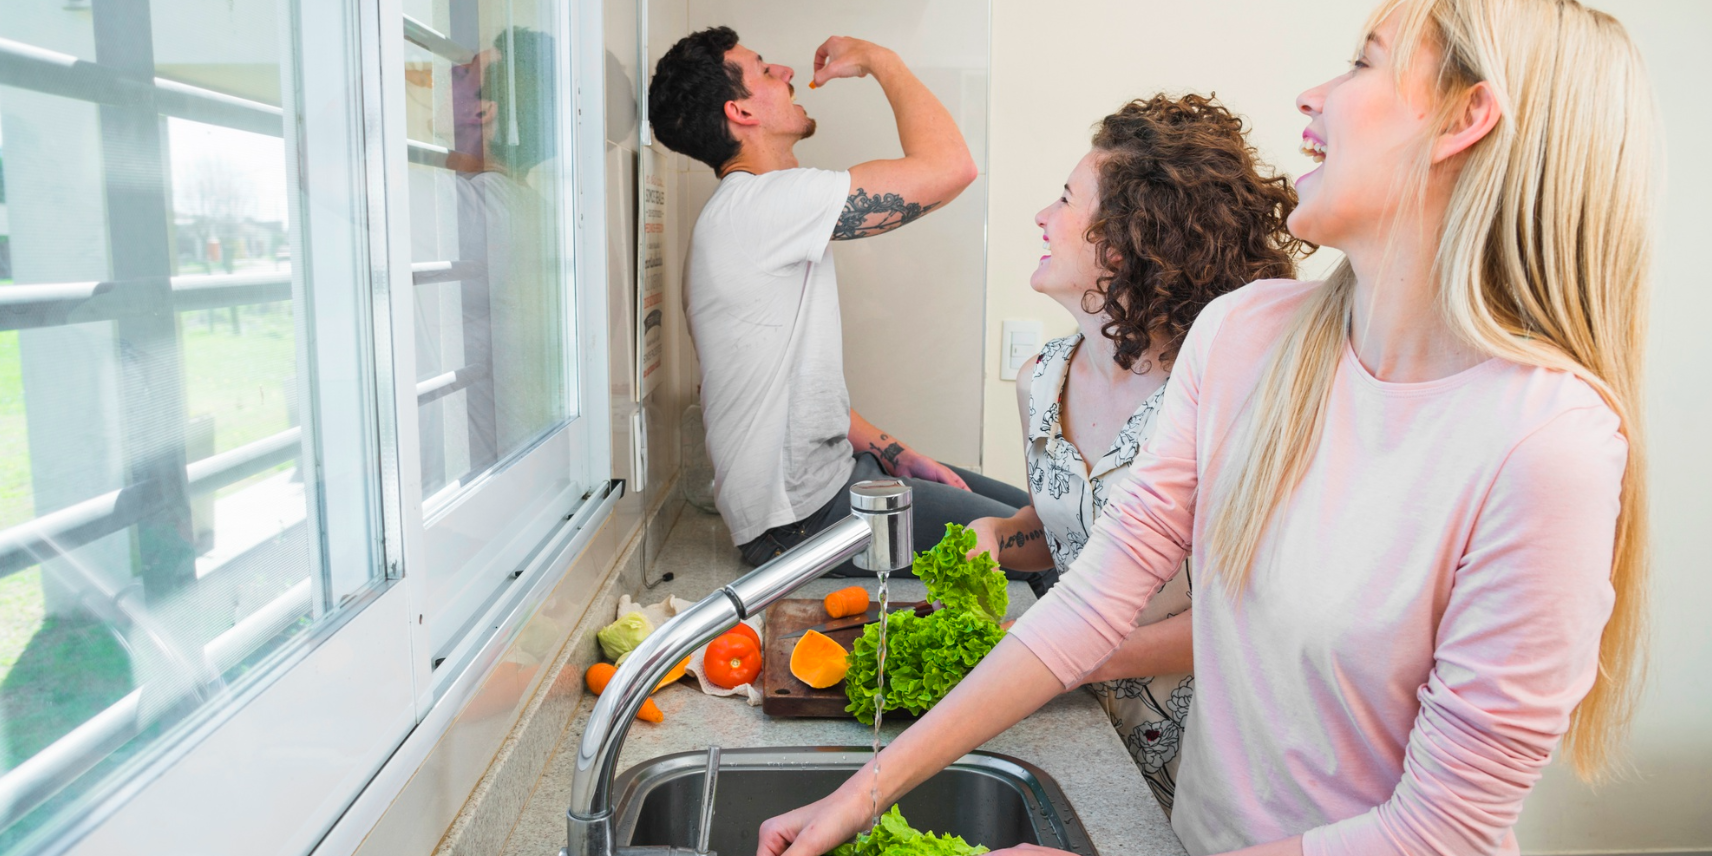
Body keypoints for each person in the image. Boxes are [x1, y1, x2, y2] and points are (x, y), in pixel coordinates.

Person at [758, 0, 1654, 853]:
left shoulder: (1549, 446)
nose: (1313, 96)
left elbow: (1437, 832)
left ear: (1465, 121)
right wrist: (860, 795)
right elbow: (1090, 604)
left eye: (1363, 61)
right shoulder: (1249, 333)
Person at [966, 93, 1303, 814]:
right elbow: (1074, 531)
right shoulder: (1041, 380)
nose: (1042, 218)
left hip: (1212, 757)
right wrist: (997, 537)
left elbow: (1247, 615)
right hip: (1082, 728)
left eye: (1064, 200)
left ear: (1125, 241)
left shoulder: (1227, 395)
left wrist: (1061, 651)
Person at [648, 28, 1027, 571]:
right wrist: (881, 59)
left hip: (829, 491)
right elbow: (952, 167)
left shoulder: (755, 213)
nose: (785, 72)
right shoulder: (760, 207)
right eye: (763, 69)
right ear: (742, 112)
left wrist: (897, 452)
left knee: (1044, 519)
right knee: (1049, 546)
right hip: (800, 524)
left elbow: (797, 390)